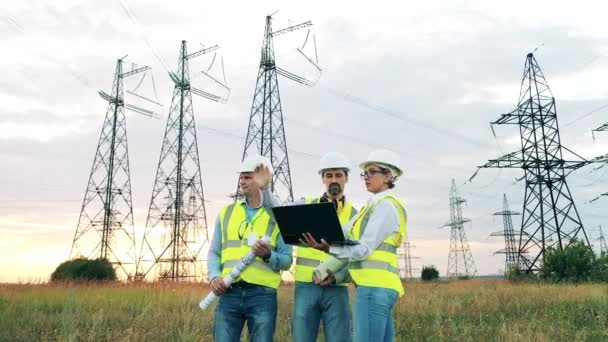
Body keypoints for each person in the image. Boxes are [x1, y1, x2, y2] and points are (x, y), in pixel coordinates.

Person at [300, 149, 407, 342]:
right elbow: (341, 232)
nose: (366, 177)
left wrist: (327, 248)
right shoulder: (370, 207)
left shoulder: (385, 207)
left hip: (373, 288)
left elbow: (363, 249)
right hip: (379, 288)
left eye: (371, 172)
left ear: (388, 176)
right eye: (364, 173)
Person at [259, 152, 357, 342]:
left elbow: (359, 258)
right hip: (306, 287)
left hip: (337, 288)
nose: (333, 180)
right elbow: (277, 215)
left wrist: (337, 276)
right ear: (322, 179)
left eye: (338, 175)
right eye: (329, 175)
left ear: (346, 178)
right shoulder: (306, 205)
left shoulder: (356, 215)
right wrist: (265, 190)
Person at [207, 155, 293, 342]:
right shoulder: (227, 213)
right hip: (229, 293)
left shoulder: (278, 216)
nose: (243, 181)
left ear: (263, 180)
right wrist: (214, 276)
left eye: (248, 177)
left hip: (262, 295)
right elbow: (214, 251)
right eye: (242, 177)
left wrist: (269, 255)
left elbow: (287, 260)